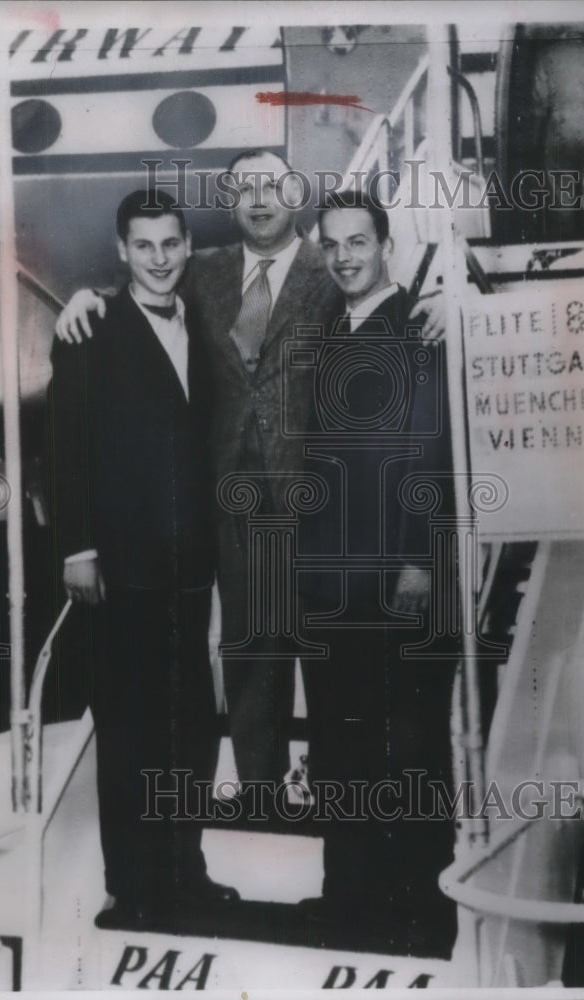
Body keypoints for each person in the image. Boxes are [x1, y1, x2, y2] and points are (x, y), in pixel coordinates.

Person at [55, 149, 445, 790]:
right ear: (229, 199)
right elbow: (141, 285)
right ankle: (261, 789)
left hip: (324, 509)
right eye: (244, 188)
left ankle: (333, 790)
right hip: (230, 501)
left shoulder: (335, 266)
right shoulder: (200, 270)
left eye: (274, 185)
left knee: (334, 662)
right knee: (250, 647)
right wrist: (84, 296)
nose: (259, 198)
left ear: (296, 193)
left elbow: (390, 304)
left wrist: (450, 308)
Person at [47, 189, 238, 929]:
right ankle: (134, 889)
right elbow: (63, 446)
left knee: (189, 730)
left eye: (171, 243)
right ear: (122, 253)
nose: (159, 259)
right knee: (129, 732)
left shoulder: (202, 319)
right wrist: (78, 548)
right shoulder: (89, 328)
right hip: (118, 570)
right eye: (144, 246)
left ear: (188, 246)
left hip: (191, 572)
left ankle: (183, 873)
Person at [297, 190, 457, 958]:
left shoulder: (418, 331)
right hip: (333, 585)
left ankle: (417, 898)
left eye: (358, 242)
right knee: (339, 740)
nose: (345, 256)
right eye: (333, 244)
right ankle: (349, 894)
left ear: (385, 245)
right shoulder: (331, 329)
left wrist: (421, 560)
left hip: (398, 578)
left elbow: (431, 452)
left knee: (408, 741)